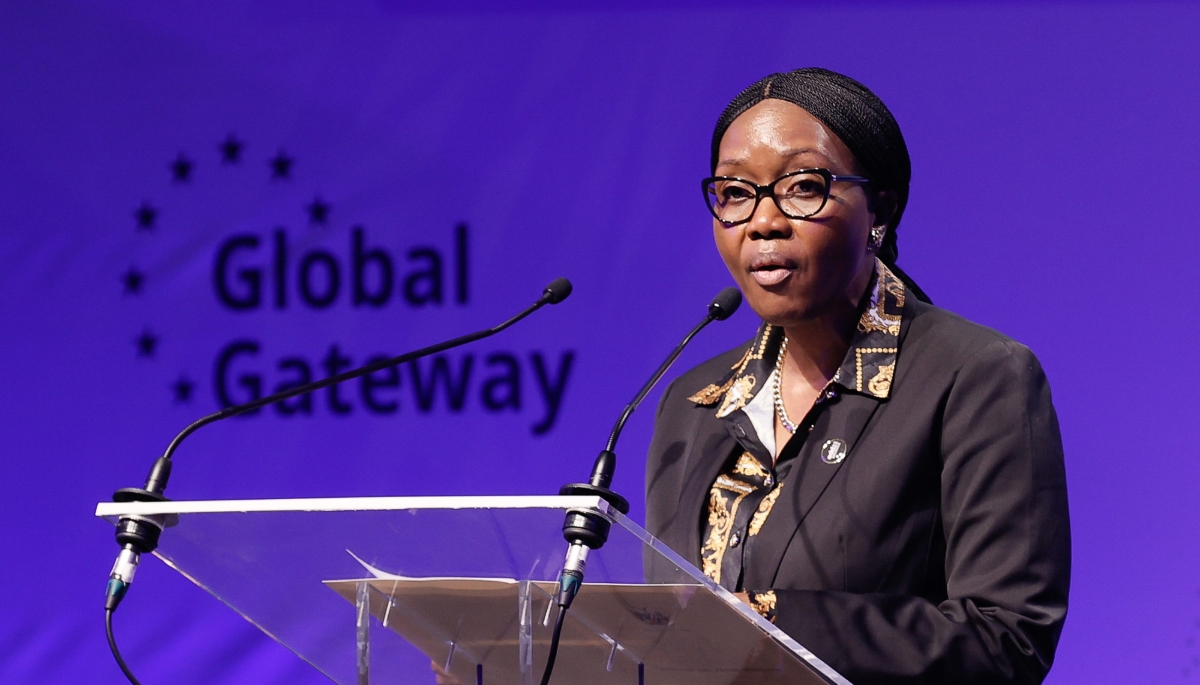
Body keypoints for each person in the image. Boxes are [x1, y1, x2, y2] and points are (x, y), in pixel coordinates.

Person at [644, 68, 1070, 684]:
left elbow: (1007, 637)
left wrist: (770, 626)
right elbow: (666, 641)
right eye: (735, 192)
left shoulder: (974, 379)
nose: (763, 221)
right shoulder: (693, 404)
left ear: (881, 209)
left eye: (803, 186)